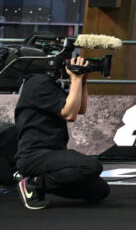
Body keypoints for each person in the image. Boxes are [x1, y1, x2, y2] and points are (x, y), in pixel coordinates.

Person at [14, 55, 110, 209]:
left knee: (100, 190)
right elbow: (69, 114)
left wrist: (82, 80)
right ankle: (33, 184)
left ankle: (42, 185)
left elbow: (80, 109)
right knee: (91, 166)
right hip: (35, 156)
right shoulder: (38, 82)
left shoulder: (48, 83)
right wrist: (76, 79)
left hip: (53, 154)